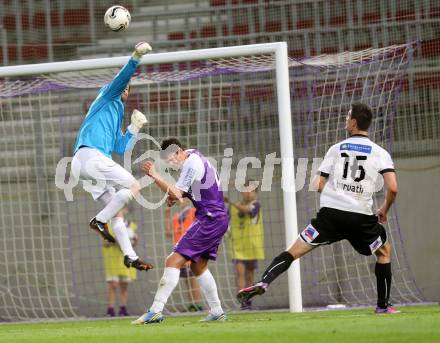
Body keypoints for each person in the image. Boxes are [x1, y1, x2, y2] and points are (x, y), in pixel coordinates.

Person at [237, 102, 400, 314]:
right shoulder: (381, 153)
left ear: (353, 122)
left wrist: (335, 197)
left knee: (293, 251)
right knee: (384, 251)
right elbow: (393, 188)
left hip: (329, 216)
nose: (345, 120)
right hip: (360, 218)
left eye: (347, 116)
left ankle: (265, 282)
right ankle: (382, 307)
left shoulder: (336, 149)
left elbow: (318, 184)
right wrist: (384, 210)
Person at [71, 42, 153, 272]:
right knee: (134, 185)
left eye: (128, 87)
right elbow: (122, 76)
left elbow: (119, 146)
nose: (127, 89)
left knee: (118, 211)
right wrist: (136, 57)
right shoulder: (108, 96)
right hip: (90, 156)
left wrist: (134, 128)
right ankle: (98, 221)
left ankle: (130, 256)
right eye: (125, 86)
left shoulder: (115, 112)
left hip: (86, 162)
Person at [132, 137, 229, 324]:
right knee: (198, 266)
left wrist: (155, 176)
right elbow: (181, 195)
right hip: (215, 217)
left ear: (178, 152)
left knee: (173, 260)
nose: (171, 164)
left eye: (170, 160)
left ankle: (155, 310)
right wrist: (175, 195)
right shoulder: (192, 154)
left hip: (210, 218)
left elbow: (176, 194)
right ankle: (217, 310)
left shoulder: (191, 164)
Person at [225, 180, 264, 310]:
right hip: (237, 246)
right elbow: (226, 222)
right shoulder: (233, 208)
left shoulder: (256, 205)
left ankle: (249, 302)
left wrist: (230, 202)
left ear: (255, 193)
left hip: (252, 246)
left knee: (249, 275)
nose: (247, 193)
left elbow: (248, 211)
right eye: (245, 190)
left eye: (251, 190)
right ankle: (243, 303)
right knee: (239, 272)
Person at [164, 199, 203, 312]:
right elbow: (168, 233)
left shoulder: (194, 212)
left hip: (191, 251)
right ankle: (192, 305)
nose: (181, 201)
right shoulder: (176, 216)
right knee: (187, 280)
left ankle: (197, 304)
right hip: (180, 252)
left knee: (193, 279)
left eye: (184, 198)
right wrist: (167, 215)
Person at [102, 206, 138, 317]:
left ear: (126, 210)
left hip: (126, 259)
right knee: (113, 285)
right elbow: (105, 243)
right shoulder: (108, 224)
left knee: (124, 285)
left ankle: (123, 309)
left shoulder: (130, 225)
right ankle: (110, 309)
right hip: (112, 260)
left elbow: (134, 242)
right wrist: (116, 241)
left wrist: (135, 239)